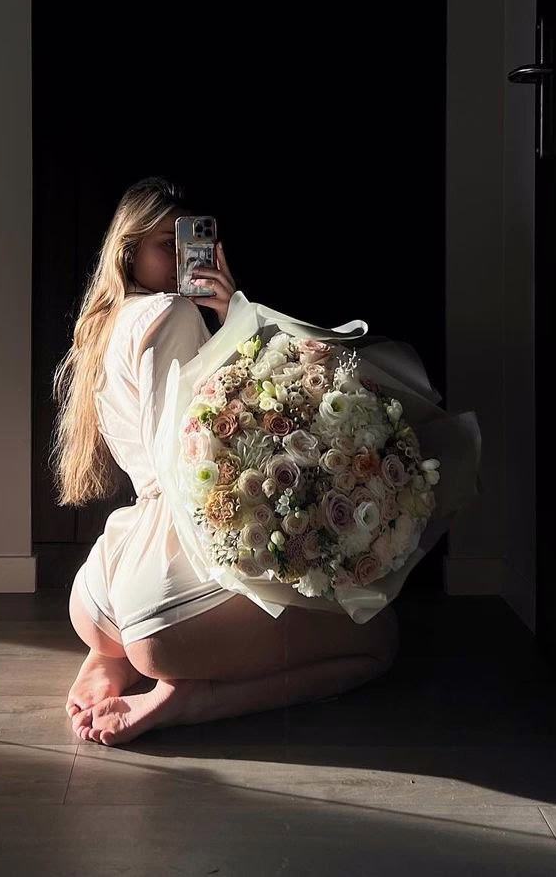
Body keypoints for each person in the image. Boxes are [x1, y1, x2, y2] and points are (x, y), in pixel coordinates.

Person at [50, 176, 400, 747]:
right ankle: (190, 698)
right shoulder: (169, 313)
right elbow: (183, 460)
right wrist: (236, 315)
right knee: (377, 642)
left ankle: (108, 654)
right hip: (162, 591)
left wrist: (223, 315)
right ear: (129, 251)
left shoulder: (106, 324)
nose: (183, 258)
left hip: (104, 584)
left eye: (189, 243)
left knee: (146, 630)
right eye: (166, 244)